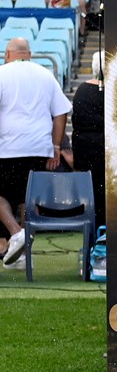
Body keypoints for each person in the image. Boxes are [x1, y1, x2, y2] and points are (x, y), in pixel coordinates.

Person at [0, 38, 71, 268]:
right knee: (25, 199)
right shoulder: (45, 74)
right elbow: (60, 113)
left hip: (7, 146)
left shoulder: (2, 73)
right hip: (39, 147)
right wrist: (56, 147)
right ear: (28, 54)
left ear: (8, 54)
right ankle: (21, 254)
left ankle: (15, 234)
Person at [72, 52, 106, 234]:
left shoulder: (81, 91)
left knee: (93, 195)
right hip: (106, 150)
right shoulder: (115, 92)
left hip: (85, 151)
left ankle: (93, 234)